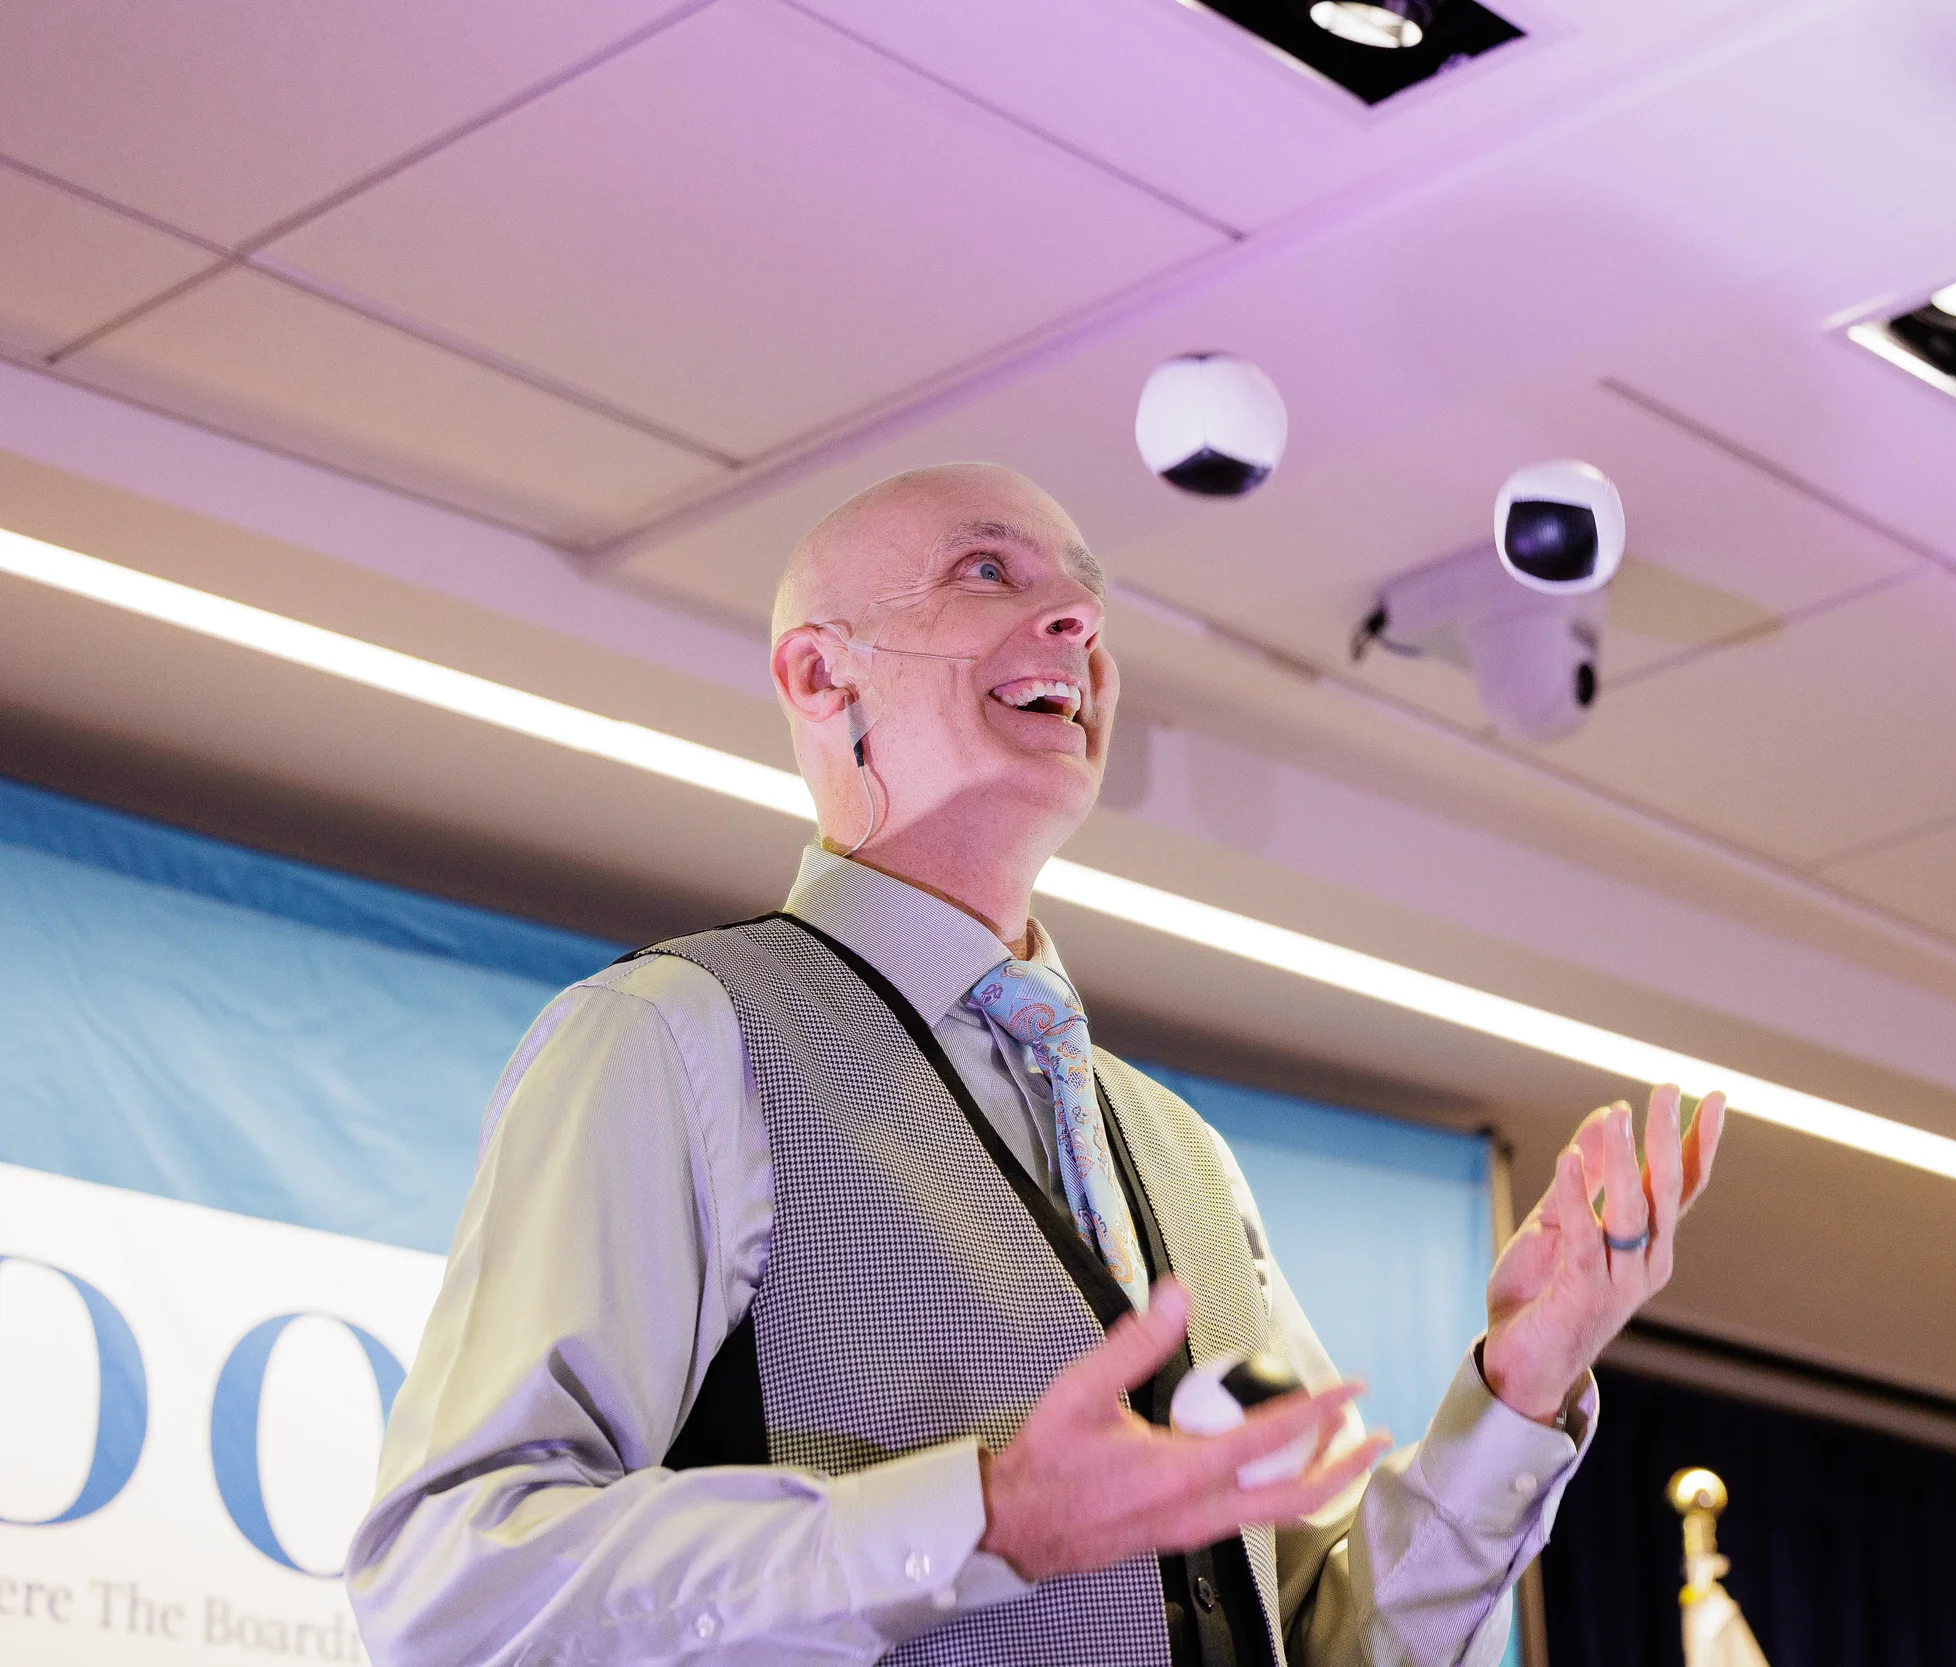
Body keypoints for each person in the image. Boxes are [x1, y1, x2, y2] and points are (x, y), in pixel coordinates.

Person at [346, 463, 1727, 1667]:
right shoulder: (670, 1036)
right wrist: (982, 1519)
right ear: (821, 677)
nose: (1075, 622)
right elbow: (456, 1588)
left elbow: (1319, 1636)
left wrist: (1522, 1386)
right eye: (987, 571)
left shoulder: (1180, 1152)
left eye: (1084, 596)